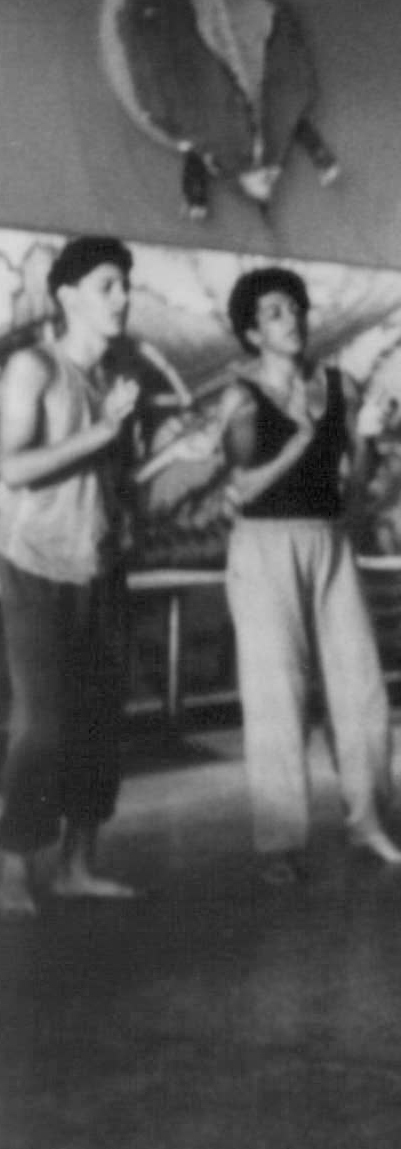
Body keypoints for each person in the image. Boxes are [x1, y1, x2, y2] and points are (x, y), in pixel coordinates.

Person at [214, 268, 401, 884]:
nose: (291, 319)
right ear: (252, 331)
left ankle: (369, 822)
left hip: (329, 539)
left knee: (362, 690)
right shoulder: (241, 397)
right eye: (274, 313)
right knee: (278, 698)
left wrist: (369, 441)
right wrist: (301, 438)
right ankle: (279, 844)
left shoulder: (339, 385)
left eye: (295, 309)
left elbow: (353, 491)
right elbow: (241, 491)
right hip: (264, 547)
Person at [0, 236, 143, 918]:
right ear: (66, 296)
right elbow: (13, 466)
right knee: (44, 726)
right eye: (109, 284)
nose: (122, 297)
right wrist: (102, 431)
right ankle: (9, 864)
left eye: (126, 285)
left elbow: (111, 479)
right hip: (33, 569)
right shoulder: (35, 368)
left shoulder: (111, 381)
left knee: (96, 726)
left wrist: (175, 451)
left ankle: (76, 866)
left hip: (101, 570)